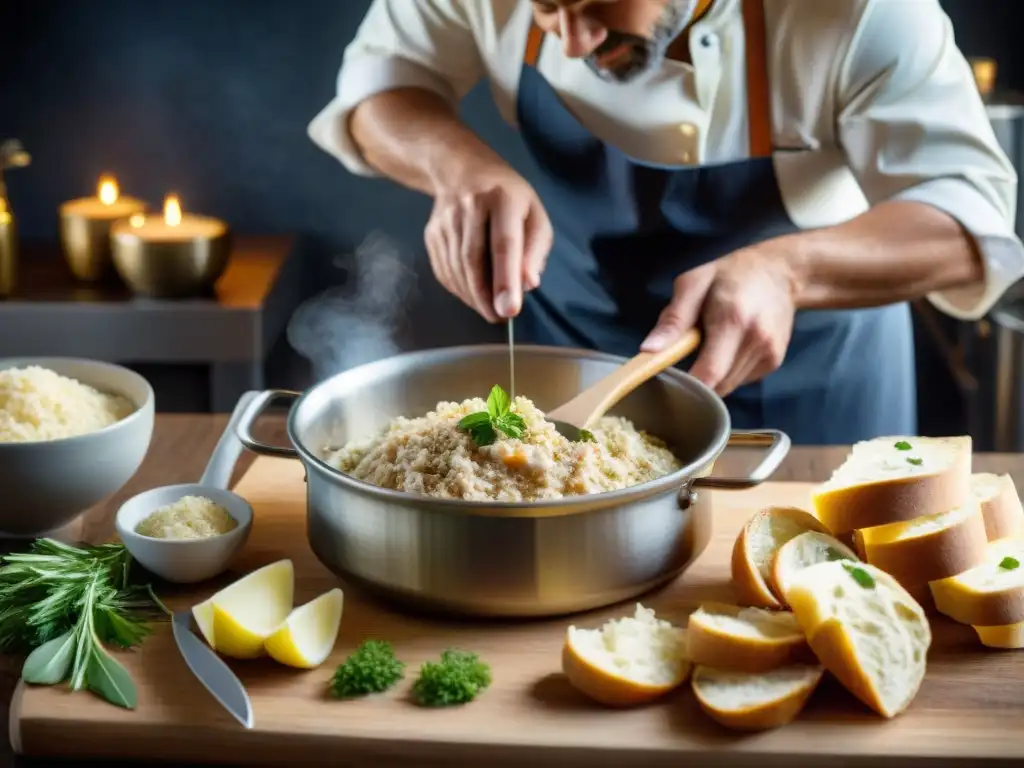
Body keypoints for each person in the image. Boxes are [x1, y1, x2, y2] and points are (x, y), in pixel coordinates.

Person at [308, 0, 1024, 445]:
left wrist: (787, 269)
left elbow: (971, 218)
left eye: (596, 7)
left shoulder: (862, 11)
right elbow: (377, 88)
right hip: (576, 372)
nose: (572, 42)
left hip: (815, 389)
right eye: (544, 10)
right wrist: (456, 167)